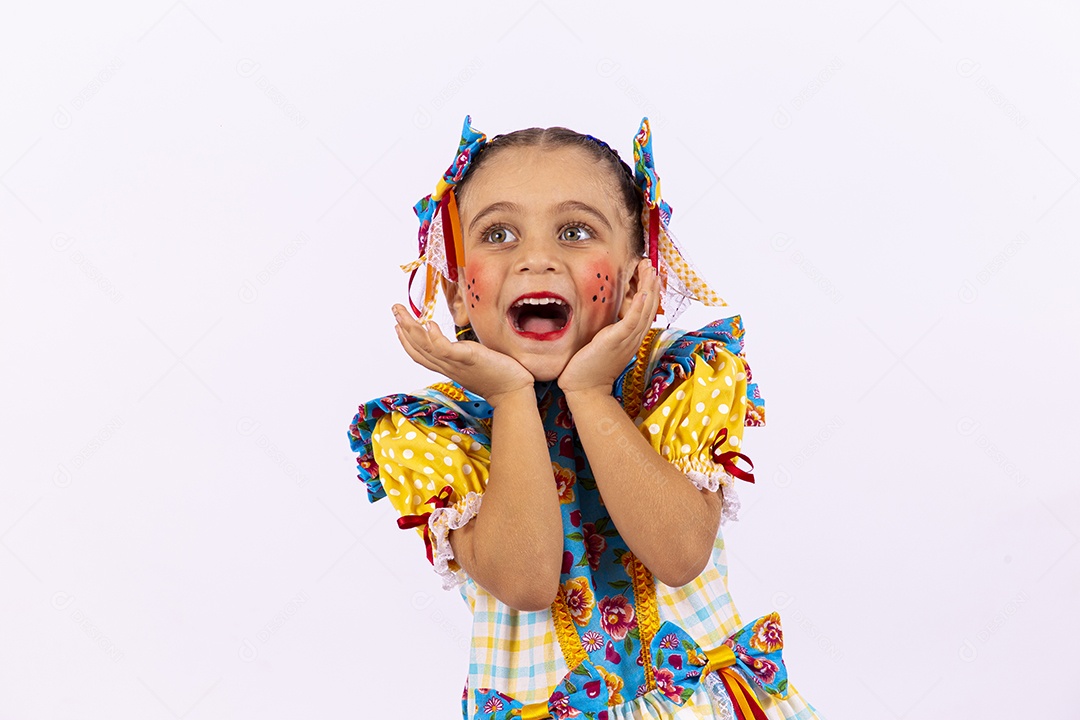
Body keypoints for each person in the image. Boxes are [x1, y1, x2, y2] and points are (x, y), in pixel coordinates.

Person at [348, 116, 824, 719]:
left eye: (575, 231)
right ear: (459, 293)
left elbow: (680, 554)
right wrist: (510, 397)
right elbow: (526, 581)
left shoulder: (680, 376)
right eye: (498, 234)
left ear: (637, 280)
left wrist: (591, 391)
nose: (536, 259)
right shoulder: (432, 429)